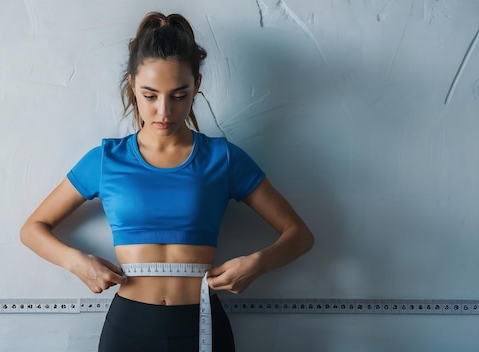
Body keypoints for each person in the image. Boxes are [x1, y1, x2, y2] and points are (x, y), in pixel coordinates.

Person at [20, 11, 314, 352]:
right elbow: (32, 229)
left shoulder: (224, 158)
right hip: (128, 329)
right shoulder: (105, 160)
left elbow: (300, 235)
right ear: (132, 85)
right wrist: (76, 263)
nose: (164, 111)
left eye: (178, 95)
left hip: (202, 324)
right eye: (149, 95)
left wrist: (258, 263)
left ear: (196, 87)